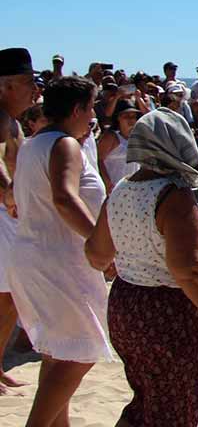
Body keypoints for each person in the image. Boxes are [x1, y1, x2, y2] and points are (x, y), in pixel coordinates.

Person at [83, 109, 198, 426]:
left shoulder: (122, 189)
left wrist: (133, 257)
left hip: (126, 305)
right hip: (169, 314)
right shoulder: (173, 196)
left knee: (144, 403)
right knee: (173, 411)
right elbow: (189, 270)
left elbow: (96, 253)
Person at [8, 76, 114, 426]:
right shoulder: (64, 144)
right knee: (78, 354)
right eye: (90, 109)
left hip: (37, 257)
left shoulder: (34, 143)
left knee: (58, 354)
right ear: (77, 109)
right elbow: (64, 198)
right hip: (58, 260)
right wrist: (98, 243)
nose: (92, 117)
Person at [0, 47, 39, 395]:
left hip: (10, 216)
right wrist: (9, 193)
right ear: (5, 86)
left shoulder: (11, 120)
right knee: (7, 295)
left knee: (10, 295)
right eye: (27, 82)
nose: (34, 89)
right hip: (3, 216)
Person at [96, 104, 141, 192]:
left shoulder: (137, 137)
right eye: (126, 116)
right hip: (114, 188)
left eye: (133, 116)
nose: (131, 119)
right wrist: (107, 183)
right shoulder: (111, 137)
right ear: (118, 118)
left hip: (133, 189)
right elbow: (98, 160)